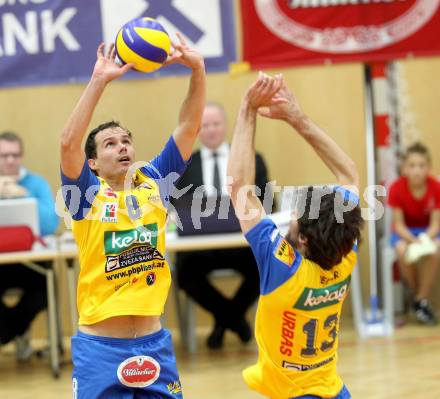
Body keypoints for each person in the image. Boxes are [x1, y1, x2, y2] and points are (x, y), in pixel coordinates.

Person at [60, 35, 204, 399]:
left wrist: (198, 70)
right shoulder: (85, 194)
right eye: (110, 143)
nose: (123, 146)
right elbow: (67, 144)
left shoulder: (154, 181)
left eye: (126, 140)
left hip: (153, 344)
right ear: (92, 162)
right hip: (100, 350)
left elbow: (188, 127)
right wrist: (99, 81)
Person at [227, 73, 363, 399]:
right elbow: (349, 174)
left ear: (303, 240)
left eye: (297, 219)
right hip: (333, 390)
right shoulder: (346, 256)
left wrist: (247, 109)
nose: (291, 217)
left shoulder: (284, 270)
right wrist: (296, 118)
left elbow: (239, 191)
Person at [173, 102, 273, 349]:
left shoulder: (251, 159)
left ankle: (224, 321)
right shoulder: (185, 165)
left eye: (215, 124)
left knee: (263, 267)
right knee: (186, 274)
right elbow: (177, 206)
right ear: (197, 130)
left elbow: (269, 201)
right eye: (204, 125)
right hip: (201, 248)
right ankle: (236, 321)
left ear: (225, 126)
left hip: (243, 243)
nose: (211, 130)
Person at [0, 131, 59, 360]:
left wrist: (24, 196)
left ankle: (8, 332)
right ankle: (14, 331)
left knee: (45, 289)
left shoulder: (36, 184)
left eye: (15, 155)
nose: (10, 160)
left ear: (22, 156)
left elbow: (50, 224)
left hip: (31, 264)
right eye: (4, 156)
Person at [388, 142, 440, 325]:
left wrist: (425, 239)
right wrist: (413, 240)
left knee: (435, 251)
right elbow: (399, 225)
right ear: (404, 169)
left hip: (428, 232)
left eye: (421, 165)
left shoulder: (435, 187)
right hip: (405, 233)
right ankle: (420, 297)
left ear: (429, 168)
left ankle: (419, 300)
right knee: (402, 251)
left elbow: (435, 224)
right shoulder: (396, 188)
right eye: (412, 165)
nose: (417, 170)